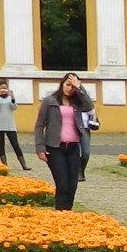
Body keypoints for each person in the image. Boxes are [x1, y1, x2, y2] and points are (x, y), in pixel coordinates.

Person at [33, 72, 96, 210]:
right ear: (62, 84)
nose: (69, 88)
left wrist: (80, 88)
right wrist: (40, 147)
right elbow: (39, 125)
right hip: (55, 148)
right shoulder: (50, 101)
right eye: (68, 85)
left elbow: (89, 107)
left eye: (73, 86)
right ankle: (60, 214)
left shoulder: (77, 102)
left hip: (73, 147)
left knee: (72, 185)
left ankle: (67, 213)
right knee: (62, 184)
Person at [0, 78, 26, 168]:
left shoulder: (10, 98)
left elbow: (14, 107)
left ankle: (23, 164)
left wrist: (12, 97)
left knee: (15, 144)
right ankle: (4, 164)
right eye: (2, 88)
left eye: (5, 88)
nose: (4, 90)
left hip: (10, 124)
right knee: (1, 145)